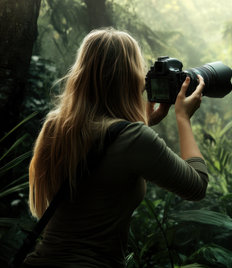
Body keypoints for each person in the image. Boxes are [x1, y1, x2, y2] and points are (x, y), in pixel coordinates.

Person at [24, 28, 208, 267]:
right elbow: (197, 185)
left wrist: (143, 121)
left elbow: (106, 144)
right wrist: (183, 118)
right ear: (130, 77)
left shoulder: (55, 127)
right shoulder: (133, 138)